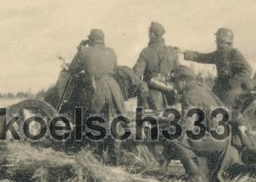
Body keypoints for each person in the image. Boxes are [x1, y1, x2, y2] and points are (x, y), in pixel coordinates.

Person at [161, 65, 244, 182]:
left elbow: (186, 128)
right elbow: (227, 111)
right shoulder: (204, 90)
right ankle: (161, 166)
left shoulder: (189, 96)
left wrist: (169, 124)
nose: (174, 85)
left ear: (184, 81)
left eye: (175, 82)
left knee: (175, 137)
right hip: (225, 139)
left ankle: (195, 176)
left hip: (214, 140)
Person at [68, 29, 126, 160]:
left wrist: (80, 50)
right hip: (113, 86)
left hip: (97, 86)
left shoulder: (85, 52)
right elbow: (115, 69)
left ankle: (94, 154)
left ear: (90, 40)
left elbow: (72, 69)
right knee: (116, 119)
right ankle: (115, 155)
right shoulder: (111, 52)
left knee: (94, 119)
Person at [184, 27, 253, 108]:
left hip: (232, 89)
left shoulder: (234, 54)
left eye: (218, 40)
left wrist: (232, 83)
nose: (216, 42)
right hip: (220, 87)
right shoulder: (219, 54)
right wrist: (186, 53)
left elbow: (247, 70)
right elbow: (203, 57)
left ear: (225, 41)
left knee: (224, 110)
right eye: (217, 40)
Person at [133, 21, 179, 110]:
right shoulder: (172, 52)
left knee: (144, 121)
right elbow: (178, 72)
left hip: (150, 95)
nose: (148, 35)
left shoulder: (146, 51)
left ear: (153, 34)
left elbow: (136, 74)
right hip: (168, 95)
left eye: (149, 33)